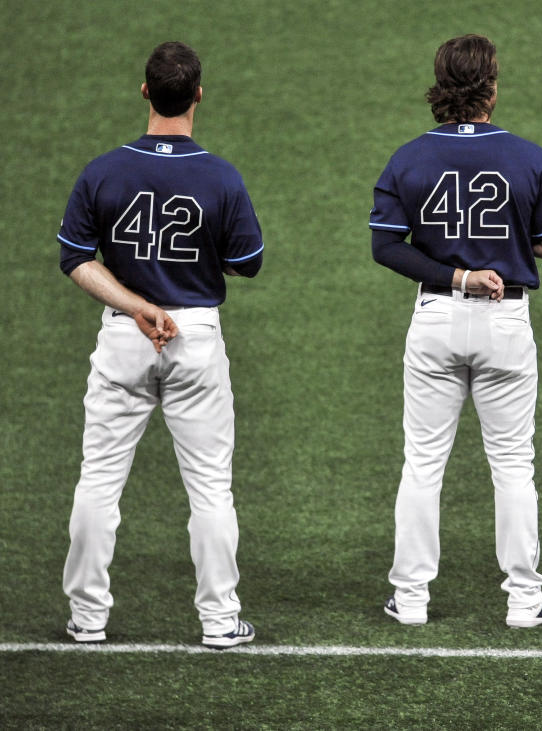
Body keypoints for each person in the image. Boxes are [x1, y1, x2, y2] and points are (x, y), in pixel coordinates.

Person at [57, 41, 263, 648]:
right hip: (195, 338)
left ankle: (87, 619)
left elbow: (75, 258)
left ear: (145, 91)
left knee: (99, 481)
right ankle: (221, 621)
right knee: (210, 487)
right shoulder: (220, 176)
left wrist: (137, 305)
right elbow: (247, 262)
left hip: (126, 334)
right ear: (197, 94)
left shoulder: (103, 171)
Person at [369, 34, 542, 627]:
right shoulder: (527, 156)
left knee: (423, 463)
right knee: (512, 464)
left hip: (435, 317)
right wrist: (505, 242)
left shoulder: (409, 157)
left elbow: (386, 246)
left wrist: (456, 273)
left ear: (441, 85)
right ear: (491, 84)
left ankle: (409, 599)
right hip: (505, 321)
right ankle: (524, 599)